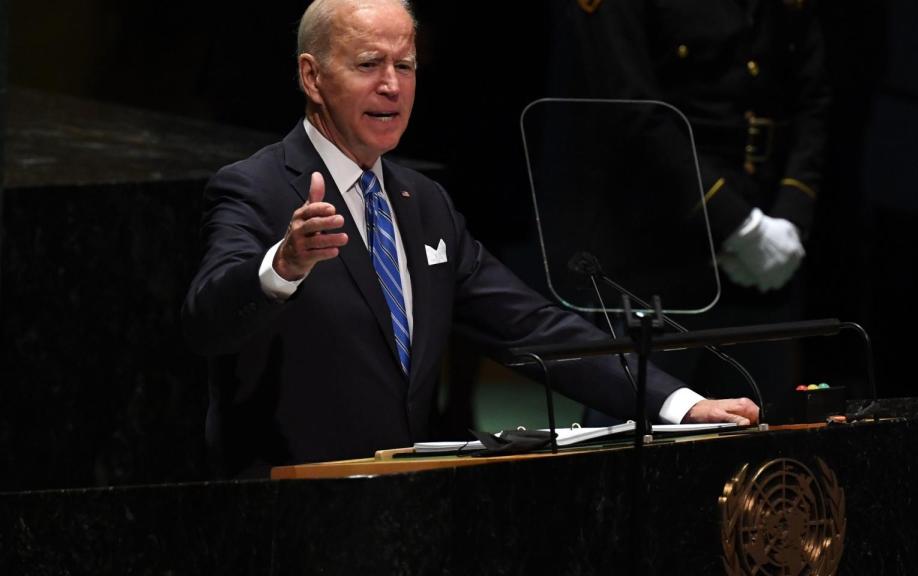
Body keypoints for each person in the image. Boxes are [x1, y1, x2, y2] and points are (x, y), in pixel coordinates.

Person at [182, 0, 758, 478]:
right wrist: (282, 266)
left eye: (405, 66)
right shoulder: (254, 188)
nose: (391, 86)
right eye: (368, 64)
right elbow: (207, 321)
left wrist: (679, 404)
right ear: (312, 76)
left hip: (405, 512)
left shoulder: (423, 203)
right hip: (287, 515)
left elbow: (530, 326)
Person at [550, 0, 829, 417]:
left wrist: (789, 217)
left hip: (765, 260)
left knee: (762, 450)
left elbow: (812, 99)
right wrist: (737, 225)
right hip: (659, 260)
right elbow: (631, 107)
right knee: (636, 440)